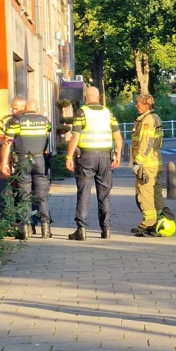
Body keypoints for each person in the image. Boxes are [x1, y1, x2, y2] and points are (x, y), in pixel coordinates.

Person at [65, 86, 123, 241]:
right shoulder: (108, 113)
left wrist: (69, 156)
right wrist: (118, 155)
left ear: (85, 98)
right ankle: (106, 229)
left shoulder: (82, 112)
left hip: (86, 158)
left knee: (84, 193)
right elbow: (118, 137)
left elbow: (75, 137)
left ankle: (81, 229)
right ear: (99, 97)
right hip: (105, 157)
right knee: (104, 195)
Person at [1, 98, 52, 239]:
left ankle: (25, 229)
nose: (13, 110)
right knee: (41, 196)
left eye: (16, 108)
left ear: (25, 108)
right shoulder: (45, 121)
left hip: (23, 161)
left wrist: (5, 163)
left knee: (24, 197)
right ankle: (46, 229)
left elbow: (7, 143)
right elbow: (47, 134)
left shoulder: (16, 122)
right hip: (40, 160)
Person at [130, 94, 175, 237]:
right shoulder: (155, 117)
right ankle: (162, 220)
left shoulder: (147, 120)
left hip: (146, 164)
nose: (136, 105)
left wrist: (138, 162)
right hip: (155, 163)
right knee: (155, 194)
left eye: (138, 103)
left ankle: (148, 223)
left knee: (145, 194)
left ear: (146, 105)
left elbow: (146, 142)